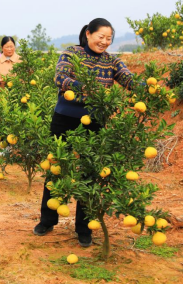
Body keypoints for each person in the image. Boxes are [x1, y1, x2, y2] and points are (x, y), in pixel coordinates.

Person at [33, 18, 134, 247]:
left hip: (94, 123)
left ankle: (84, 229)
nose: (105, 42)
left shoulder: (111, 61)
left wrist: (146, 88)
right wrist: (83, 87)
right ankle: (48, 220)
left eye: (109, 38)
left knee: (89, 174)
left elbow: (129, 79)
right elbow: (60, 77)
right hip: (65, 119)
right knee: (57, 168)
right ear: (88, 34)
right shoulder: (72, 54)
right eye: (101, 36)